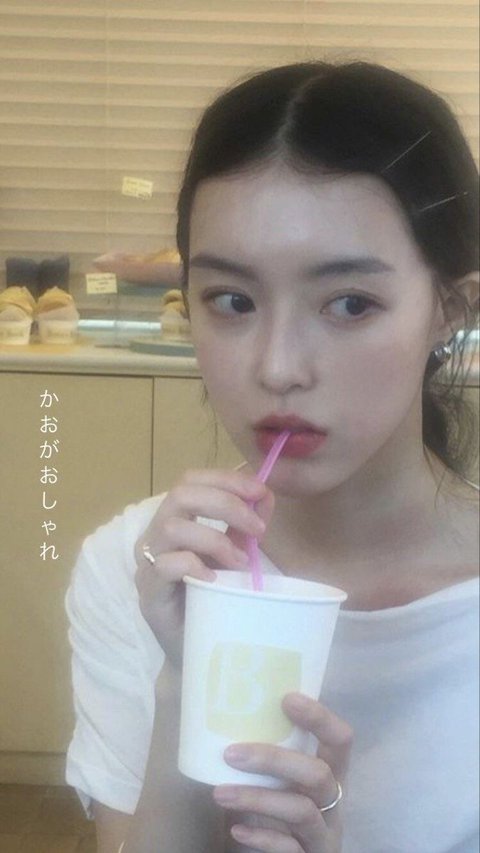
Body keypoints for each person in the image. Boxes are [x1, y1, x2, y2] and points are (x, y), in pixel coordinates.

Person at [65, 60, 480, 853]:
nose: (279, 366)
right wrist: (184, 681)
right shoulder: (141, 572)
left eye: (349, 303)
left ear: (449, 310)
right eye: (233, 300)